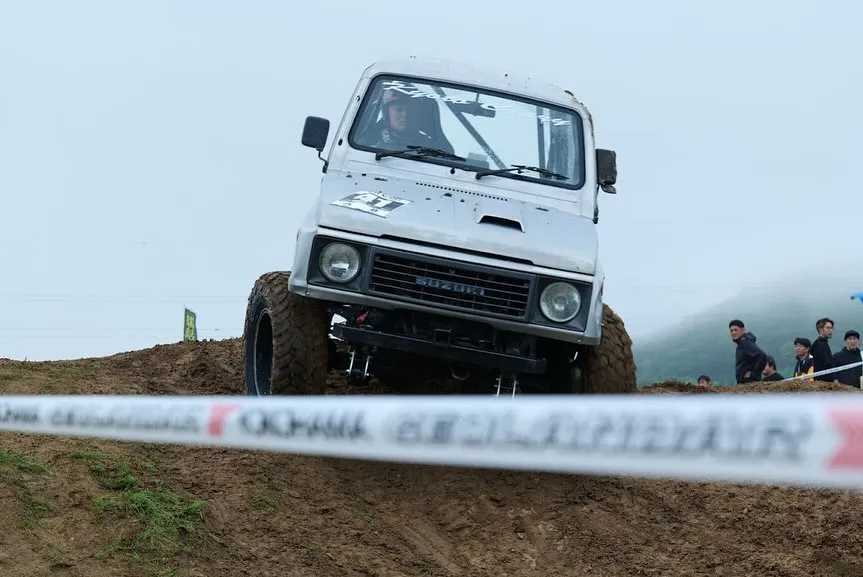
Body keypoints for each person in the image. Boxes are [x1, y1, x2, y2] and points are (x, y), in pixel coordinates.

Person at [728, 319, 767, 384]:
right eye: (731, 331)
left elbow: (762, 355)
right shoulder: (742, 343)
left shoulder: (745, 342)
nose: (733, 333)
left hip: (750, 383)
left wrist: (753, 373)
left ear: (743, 330)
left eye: (736, 330)